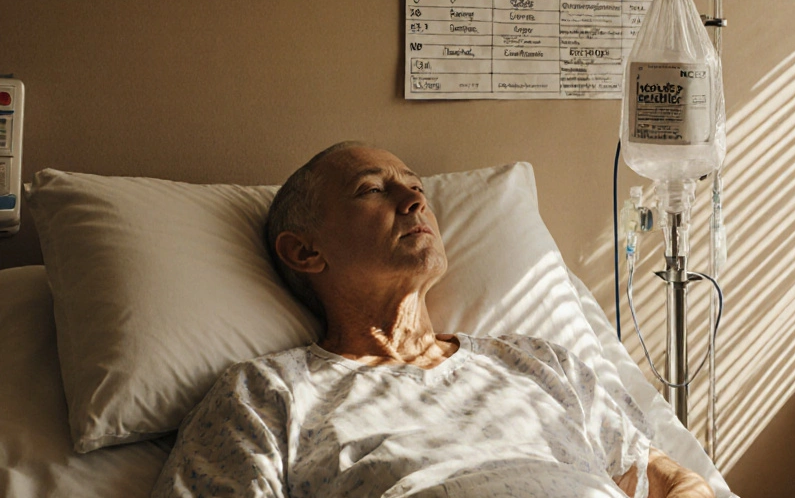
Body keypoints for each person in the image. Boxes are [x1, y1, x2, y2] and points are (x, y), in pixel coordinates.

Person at [151, 142, 714, 498]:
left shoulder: (536, 363)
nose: (414, 201)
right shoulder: (267, 395)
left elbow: (668, 478)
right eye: (373, 189)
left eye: (417, 187)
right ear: (304, 253)